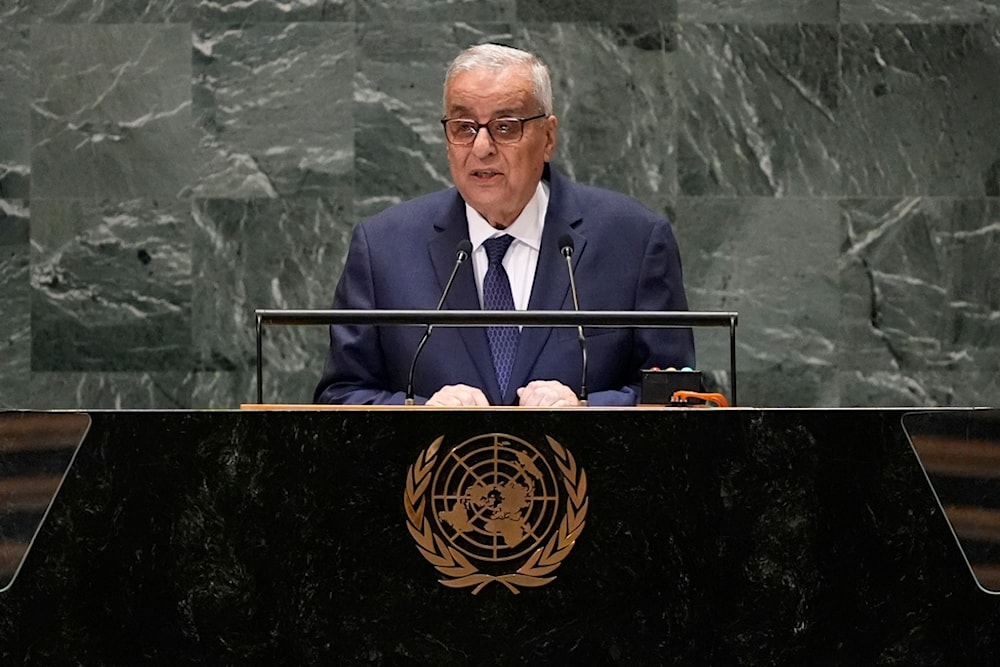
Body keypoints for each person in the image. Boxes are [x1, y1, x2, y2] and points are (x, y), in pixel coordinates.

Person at [314, 43, 694, 407]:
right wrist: (419, 410)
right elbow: (340, 395)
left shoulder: (634, 241)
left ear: (547, 137)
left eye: (506, 126)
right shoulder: (383, 247)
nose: (481, 147)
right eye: (463, 127)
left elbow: (678, 395)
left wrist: (587, 408)